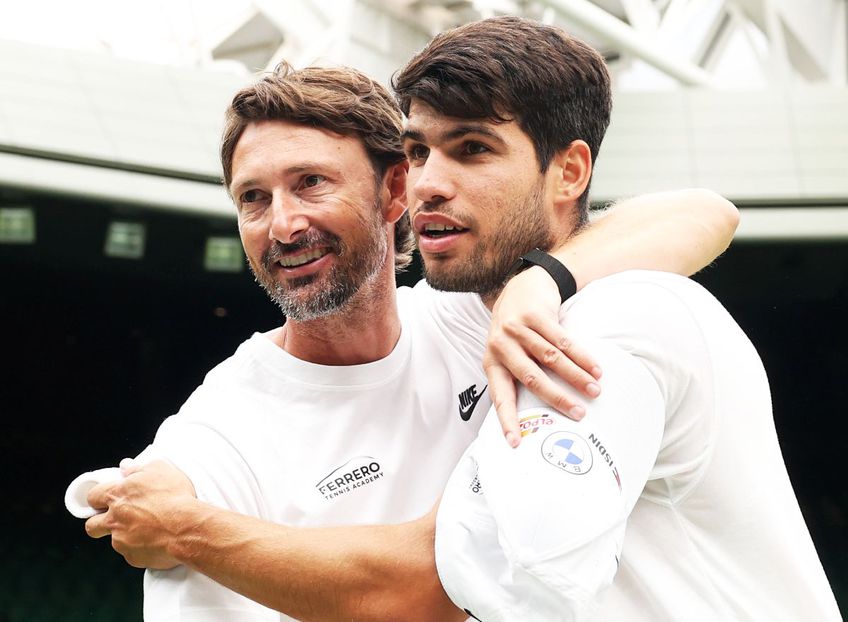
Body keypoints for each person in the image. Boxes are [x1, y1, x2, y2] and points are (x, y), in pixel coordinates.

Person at [79, 16, 812, 622]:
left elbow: (706, 211)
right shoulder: (239, 410)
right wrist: (161, 513)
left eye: (471, 150)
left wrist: (544, 282)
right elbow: (157, 494)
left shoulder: (603, 323)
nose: (284, 223)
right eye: (421, 151)